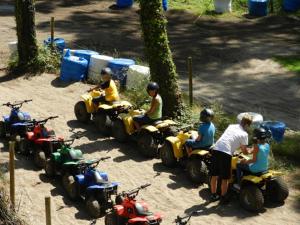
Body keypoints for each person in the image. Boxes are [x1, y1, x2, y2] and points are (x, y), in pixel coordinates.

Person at [210, 114, 253, 204]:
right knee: (225, 178)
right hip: (225, 153)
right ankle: (223, 198)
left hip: (216, 148)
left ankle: (213, 195)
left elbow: (229, 139)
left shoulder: (231, 126)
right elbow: (244, 151)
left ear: (241, 121)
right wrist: (251, 150)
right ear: (247, 125)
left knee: (214, 175)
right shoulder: (244, 134)